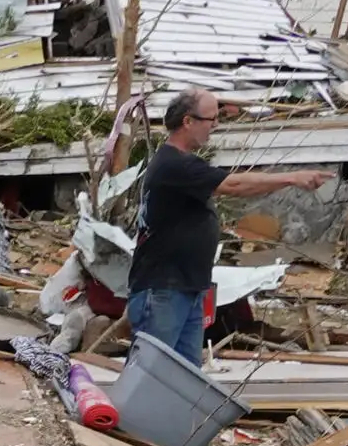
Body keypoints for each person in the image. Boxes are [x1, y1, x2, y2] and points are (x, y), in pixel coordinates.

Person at [128, 91, 332, 364]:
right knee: (151, 374)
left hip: (186, 287)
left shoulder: (183, 165)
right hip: (163, 289)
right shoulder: (175, 165)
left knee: (186, 377)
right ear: (188, 121)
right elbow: (234, 185)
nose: (215, 125)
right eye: (211, 118)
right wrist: (292, 178)